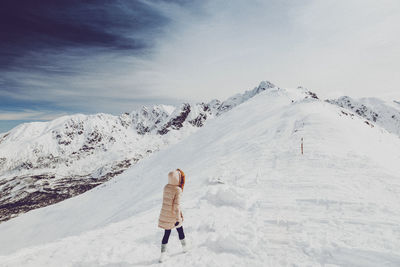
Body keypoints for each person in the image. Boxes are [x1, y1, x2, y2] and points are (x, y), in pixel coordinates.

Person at [158, 169, 187, 262]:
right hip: (174, 215)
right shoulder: (177, 190)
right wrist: (178, 218)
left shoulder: (166, 187)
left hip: (165, 214)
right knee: (180, 230)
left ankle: (162, 256)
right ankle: (185, 248)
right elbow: (176, 206)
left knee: (166, 234)